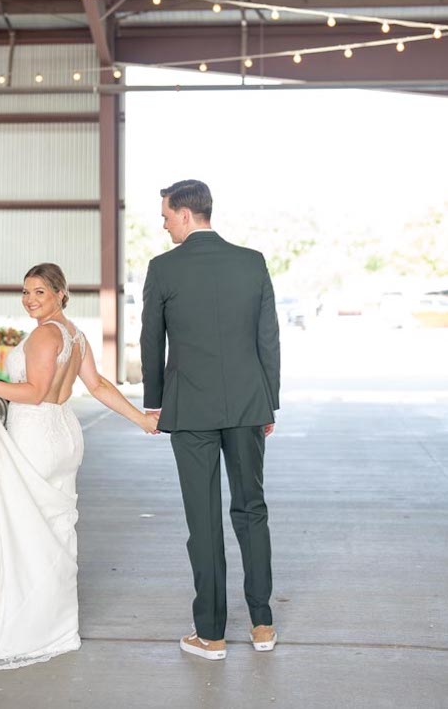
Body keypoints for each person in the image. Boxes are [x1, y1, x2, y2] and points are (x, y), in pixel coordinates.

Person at [0, 262, 159, 672]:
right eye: (26, 292)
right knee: (54, 534)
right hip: (64, 436)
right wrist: (140, 419)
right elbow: (98, 385)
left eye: (40, 293)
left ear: (60, 294)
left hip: (34, 436)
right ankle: (56, 626)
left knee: (20, 532)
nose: (30, 300)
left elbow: (33, 394)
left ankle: (11, 628)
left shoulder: (43, 336)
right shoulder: (76, 336)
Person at [140, 180, 280, 661]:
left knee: (204, 521)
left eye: (164, 216)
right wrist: (269, 403)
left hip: (192, 410)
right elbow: (268, 339)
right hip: (247, 406)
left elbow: (150, 342)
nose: (162, 224)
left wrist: (155, 404)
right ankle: (262, 625)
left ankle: (212, 635)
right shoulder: (252, 262)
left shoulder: (162, 269)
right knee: (251, 509)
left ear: (183, 214)